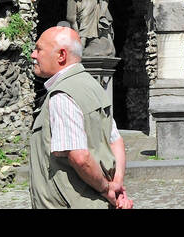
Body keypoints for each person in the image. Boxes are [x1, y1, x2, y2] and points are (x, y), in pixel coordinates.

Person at [29, 27, 132, 209]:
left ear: (61, 55)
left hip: (69, 202)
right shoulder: (92, 86)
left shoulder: (62, 95)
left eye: (39, 49)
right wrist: (117, 183)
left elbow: (80, 157)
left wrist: (106, 188)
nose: (33, 55)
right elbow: (116, 141)